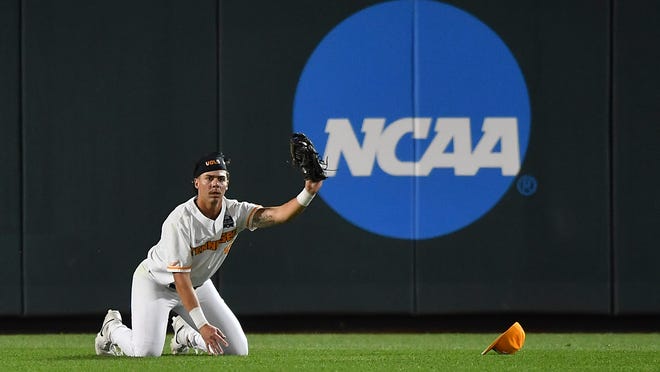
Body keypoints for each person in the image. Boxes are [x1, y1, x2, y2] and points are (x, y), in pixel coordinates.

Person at [95, 152, 323, 357]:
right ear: (197, 183)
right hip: (156, 284)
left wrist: (308, 191)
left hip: (197, 285)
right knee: (145, 353)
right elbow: (180, 279)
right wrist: (202, 324)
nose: (215, 183)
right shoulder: (180, 220)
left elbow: (279, 215)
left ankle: (185, 335)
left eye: (221, 178)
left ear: (227, 184)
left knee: (238, 350)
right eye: (209, 178)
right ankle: (112, 329)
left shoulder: (235, 212)